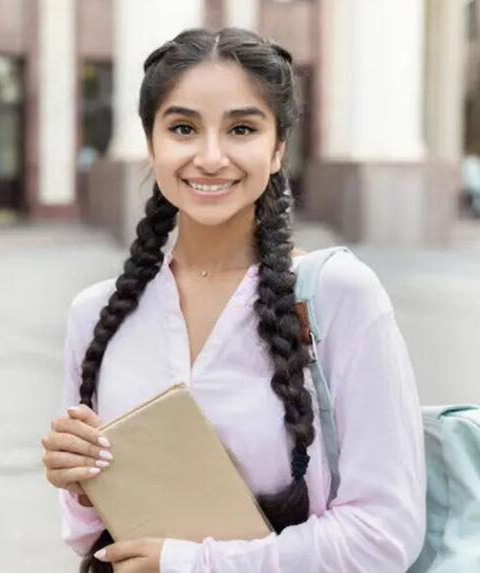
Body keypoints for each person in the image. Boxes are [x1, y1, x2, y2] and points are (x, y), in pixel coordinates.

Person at [41, 28, 425, 573]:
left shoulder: (337, 296)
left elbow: (384, 536)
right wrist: (79, 481)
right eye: (183, 128)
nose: (211, 156)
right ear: (151, 145)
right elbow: (88, 538)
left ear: (277, 150)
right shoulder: (98, 314)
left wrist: (190, 562)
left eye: (242, 128)